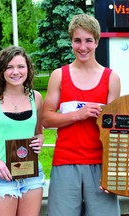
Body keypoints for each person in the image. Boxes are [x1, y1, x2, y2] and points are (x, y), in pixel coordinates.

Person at [42, 13, 121, 216]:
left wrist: (113, 171)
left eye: (88, 40)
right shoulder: (59, 75)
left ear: (96, 41)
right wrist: (79, 114)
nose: (82, 47)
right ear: (71, 42)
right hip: (66, 162)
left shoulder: (111, 78)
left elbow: (114, 130)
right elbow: (47, 119)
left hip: (100, 163)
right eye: (77, 40)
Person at [0, 45, 45, 216]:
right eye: (9, 67)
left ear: (28, 69)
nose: (15, 72)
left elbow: (39, 132)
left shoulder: (36, 97)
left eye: (20, 66)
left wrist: (40, 140)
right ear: (1, 71)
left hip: (31, 174)